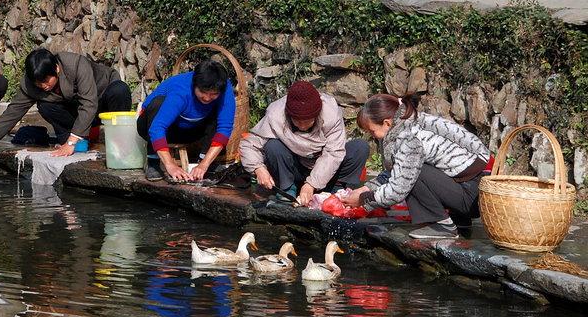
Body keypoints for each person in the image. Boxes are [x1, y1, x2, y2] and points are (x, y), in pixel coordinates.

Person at [342, 92, 491, 240]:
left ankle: (443, 225)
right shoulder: (406, 123)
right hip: (468, 188)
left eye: (372, 131)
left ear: (387, 123)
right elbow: (397, 169)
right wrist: (367, 188)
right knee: (411, 170)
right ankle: (459, 219)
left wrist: (364, 199)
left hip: (473, 197)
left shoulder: (409, 139)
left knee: (413, 174)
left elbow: (398, 188)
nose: (372, 135)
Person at [0, 49, 131, 170]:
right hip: (74, 109)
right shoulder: (30, 84)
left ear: (56, 69)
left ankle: (119, 148)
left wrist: (72, 142)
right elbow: (11, 114)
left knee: (119, 90)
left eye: (46, 81)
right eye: (38, 84)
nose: (43, 86)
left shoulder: (76, 65)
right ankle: (69, 142)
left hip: (101, 101)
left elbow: (89, 103)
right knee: (45, 105)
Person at [239, 80, 370, 207]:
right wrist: (258, 168)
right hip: (294, 169)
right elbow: (248, 145)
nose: (303, 126)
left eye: (308, 121)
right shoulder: (276, 115)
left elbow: (333, 153)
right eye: (297, 121)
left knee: (359, 147)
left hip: (326, 172)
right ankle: (288, 188)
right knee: (273, 146)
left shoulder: (331, 113)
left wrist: (311, 184)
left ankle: (336, 189)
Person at [138, 59, 236, 183]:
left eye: (213, 94)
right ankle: (153, 162)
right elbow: (157, 128)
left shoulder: (224, 88)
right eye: (203, 92)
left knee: (219, 110)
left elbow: (225, 127)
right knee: (158, 103)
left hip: (190, 127)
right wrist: (170, 165)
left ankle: (206, 161)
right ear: (194, 85)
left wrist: (204, 164)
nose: (207, 98)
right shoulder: (181, 90)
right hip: (151, 126)